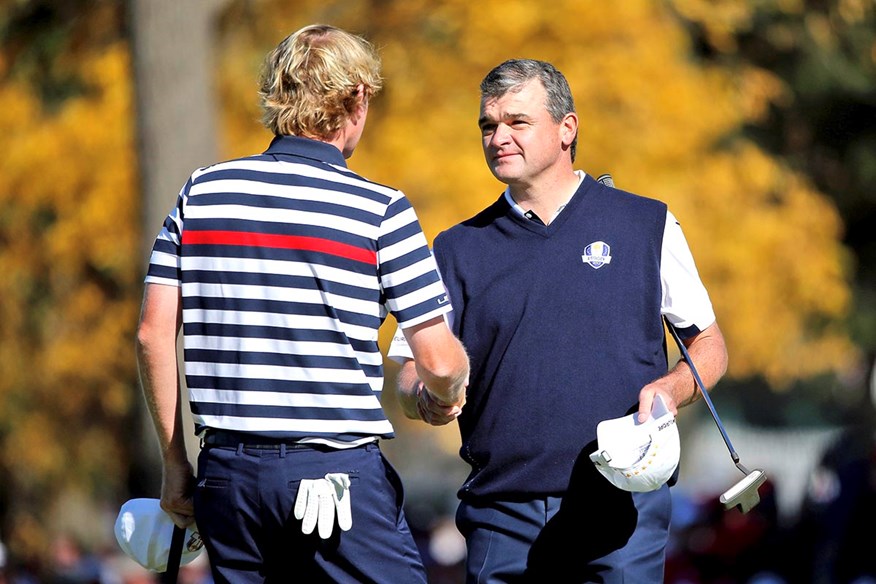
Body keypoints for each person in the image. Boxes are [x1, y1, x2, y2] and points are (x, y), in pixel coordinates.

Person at [135, 24, 469, 584]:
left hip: (227, 476)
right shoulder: (379, 209)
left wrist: (175, 466)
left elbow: (151, 334)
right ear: (357, 99)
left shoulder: (203, 190)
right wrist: (448, 391)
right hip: (334, 472)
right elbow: (436, 360)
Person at [388, 58, 728, 582]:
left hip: (623, 507)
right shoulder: (455, 247)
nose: (498, 136)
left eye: (517, 122)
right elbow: (409, 370)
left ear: (566, 128)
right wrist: (426, 396)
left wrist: (671, 387)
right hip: (499, 515)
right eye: (488, 125)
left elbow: (709, 345)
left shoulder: (646, 223)